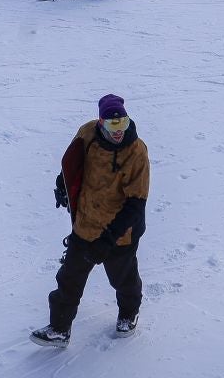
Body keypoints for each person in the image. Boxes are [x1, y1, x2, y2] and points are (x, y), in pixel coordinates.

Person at [32, 94, 148, 348]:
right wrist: (62, 185)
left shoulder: (136, 151)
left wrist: (108, 240)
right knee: (69, 278)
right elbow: (72, 164)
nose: (118, 132)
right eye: (111, 125)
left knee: (123, 278)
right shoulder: (87, 133)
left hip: (121, 232)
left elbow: (135, 205)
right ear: (100, 122)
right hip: (85, 224)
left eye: (122, 124)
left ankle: (129, 313)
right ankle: (60, 329)